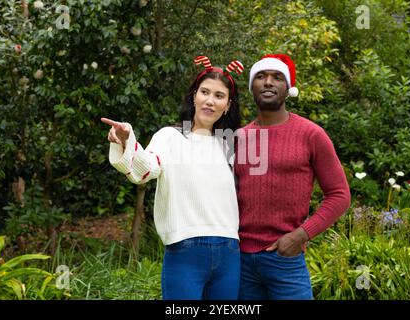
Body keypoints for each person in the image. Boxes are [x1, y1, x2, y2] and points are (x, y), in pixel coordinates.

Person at [101, 56, 244, 300]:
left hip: (229, 253)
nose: (210, 101)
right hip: (185, 251)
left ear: (228, 105)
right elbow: (145, 170)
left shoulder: (231, 145)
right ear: (194, 96)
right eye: (205, 92)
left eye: (219, 96)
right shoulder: (170, 137)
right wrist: (127, 139)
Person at [234, 54, 351, 300]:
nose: (268, 82)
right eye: (261, 77)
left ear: (288, 89)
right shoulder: (237, 138)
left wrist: (300, 236)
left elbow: (339, 195)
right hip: (239, 263)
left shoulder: (311, 135)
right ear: (251, 87)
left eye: (277, 77)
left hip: (285, 260)